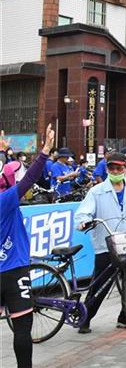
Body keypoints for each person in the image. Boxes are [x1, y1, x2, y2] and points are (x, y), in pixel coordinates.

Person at [74, 152, 126, 333]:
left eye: (119, 168)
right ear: (107, 169)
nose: (115, 171)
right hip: (107, 245)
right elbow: (83, 213)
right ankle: (85, 317)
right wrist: (84, 220)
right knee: (101, 284)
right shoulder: (96, 192)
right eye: (112, 168)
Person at [0, 124, 52, 368]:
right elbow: (29, 179)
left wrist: (6, 151)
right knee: (22, 329)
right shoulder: (6, 199)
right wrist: (44, 152)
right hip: (15, 270)